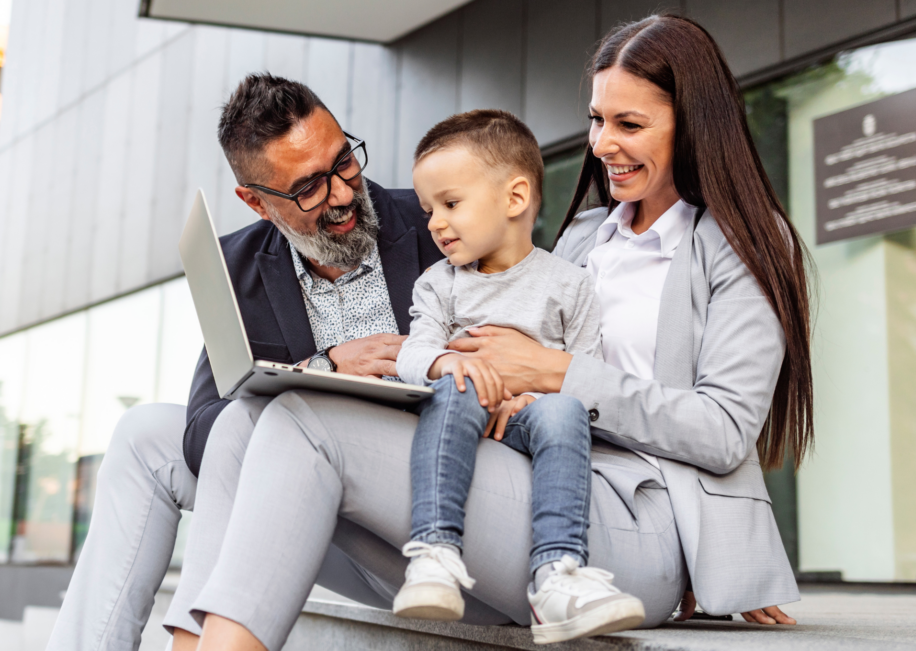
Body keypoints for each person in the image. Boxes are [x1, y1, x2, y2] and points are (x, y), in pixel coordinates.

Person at [188, 13, 812, 651]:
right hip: (533, 484)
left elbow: (726, 429)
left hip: (644, 521)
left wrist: (554, 374)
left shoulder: (744, 246)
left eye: (630, 124)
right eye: (598, 119)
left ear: (694, 125)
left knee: (301, 419)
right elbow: (518, 359)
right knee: (244, 423)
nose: (601, 144)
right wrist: (502, 389)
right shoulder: (584, 236)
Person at [46, 73, 444, 651]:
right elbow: (202, 430)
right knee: (143, 435)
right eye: (308, 188)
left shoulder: (439, 223)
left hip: (418, 509)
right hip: (302, 507)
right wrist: (324, 369)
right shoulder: (238, 264)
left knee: (248, 420)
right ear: (256, 202)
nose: (339, 195)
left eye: (344, 163)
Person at [392, 109, 645, 644]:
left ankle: (557, 575)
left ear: (514, 198)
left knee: (565, 408)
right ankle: (434, 553)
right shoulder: (438, 285)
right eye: (428, 209)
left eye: (451, 203)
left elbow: (585, 371)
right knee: (456, 386)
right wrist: (446, 361)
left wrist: (532, 393)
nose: (434, 222)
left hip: (533, 421)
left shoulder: (570, 286)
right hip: (460, 416)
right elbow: (412, 354)